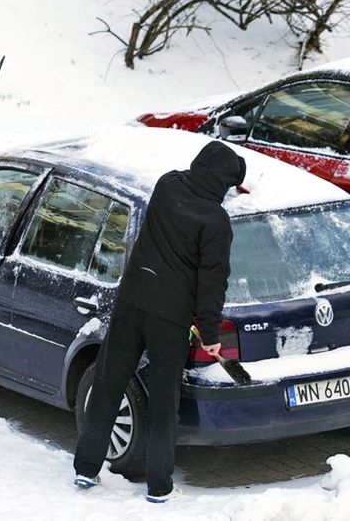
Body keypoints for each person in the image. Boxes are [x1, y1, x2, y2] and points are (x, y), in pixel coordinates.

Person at [73, 141, 246, 503]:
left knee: (108, 383)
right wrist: (211, 333)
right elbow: (212, 281)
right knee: (164, 401)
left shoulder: (167, 185)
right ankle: (158, 487)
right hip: (170, 317)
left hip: (132, 301)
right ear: (222, 183)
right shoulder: (216, 222)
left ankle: (87, 469)